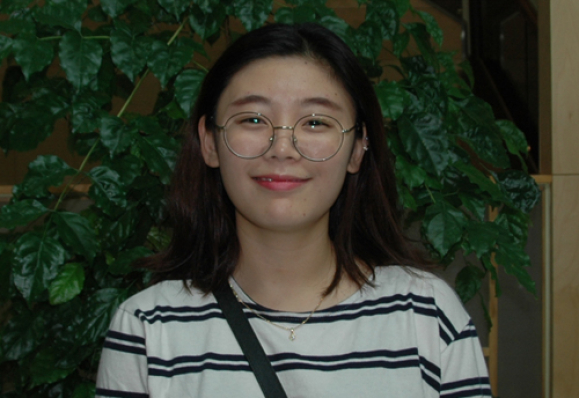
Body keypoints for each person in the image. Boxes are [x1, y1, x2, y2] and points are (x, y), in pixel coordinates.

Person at [96, 23, 491, 397]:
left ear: (357, 149)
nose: (282, 148)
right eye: (253, 119)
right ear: (210, 142)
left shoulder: (426, 316)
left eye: (316, 122)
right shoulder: (149, 329)